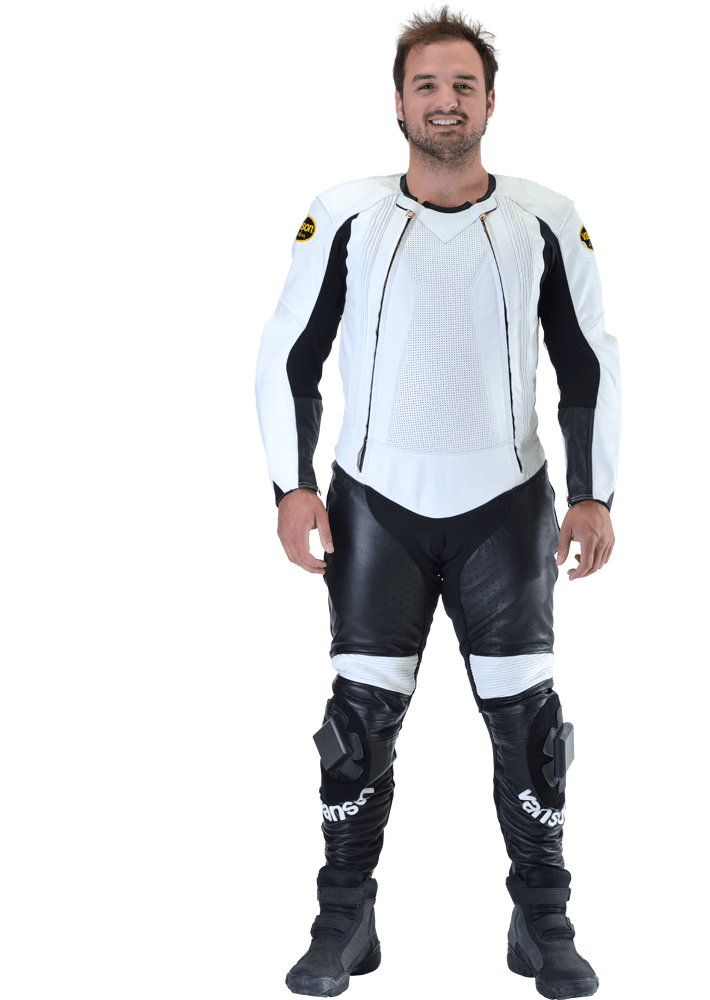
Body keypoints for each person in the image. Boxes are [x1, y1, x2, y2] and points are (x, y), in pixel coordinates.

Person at [255, 4, 620, 997]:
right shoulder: (344, 212)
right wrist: (291, 485)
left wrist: (594, 493)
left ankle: (542, 921)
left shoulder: (546, 214)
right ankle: (344, 918)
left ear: (491, 101)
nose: (445, 101)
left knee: (529, 729)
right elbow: (287, 353)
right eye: (427, 85)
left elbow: (588, 359)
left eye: (464, 85)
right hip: (376, 506)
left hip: (506, 505)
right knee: (356, 726)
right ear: (398, 102)